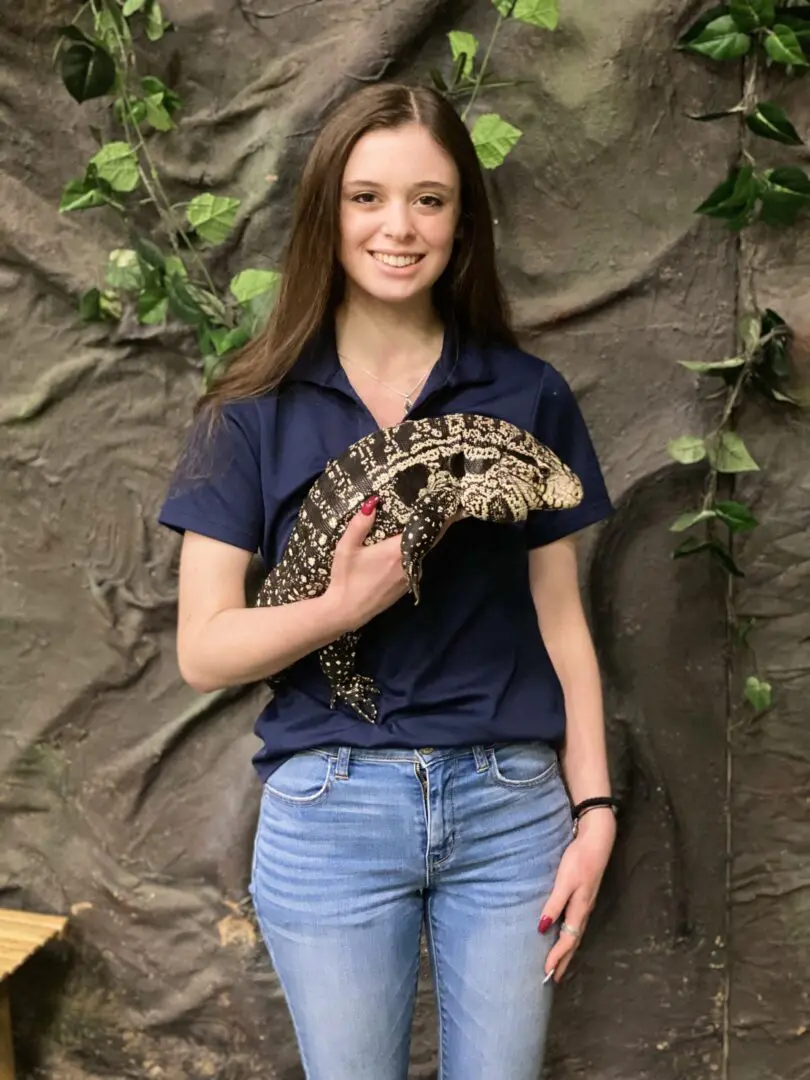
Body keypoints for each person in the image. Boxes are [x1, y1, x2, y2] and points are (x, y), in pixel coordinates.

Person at [158, 83, 617, 1080]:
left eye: (429, 199)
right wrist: (340, 606)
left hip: (510, 812)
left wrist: (595, 811)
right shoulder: (249, 412)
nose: (397, 228)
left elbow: (564, 626)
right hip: (331, 815)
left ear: (463, 219)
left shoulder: (525, 394)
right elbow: (203, 650)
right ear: (328, 211)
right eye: (366, 197)